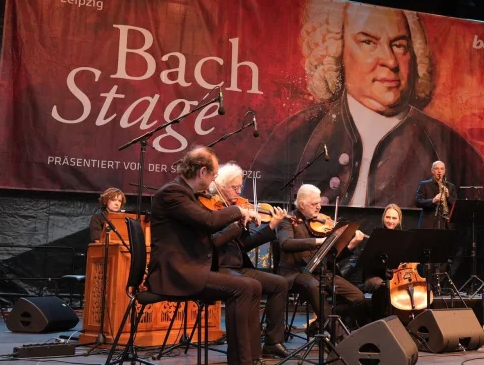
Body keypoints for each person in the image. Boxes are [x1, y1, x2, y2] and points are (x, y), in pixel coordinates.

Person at [249, 2, 484, 210]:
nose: (390, 61)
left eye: (399, 45)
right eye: (368, 42)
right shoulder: (298, 133)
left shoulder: (451, 148)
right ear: (337, 50)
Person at [145, 146, 262, 365]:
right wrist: (240, 211)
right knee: (243, 288)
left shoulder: (188, 195)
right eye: (213, 175)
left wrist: (237, 225)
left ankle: (253, 358)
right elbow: (209, 222)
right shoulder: (173, 193)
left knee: (254, 286)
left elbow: (210, 237)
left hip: (191, 268)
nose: (213, 180)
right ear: (202, 172)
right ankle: (241, 361)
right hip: (176, 273)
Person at [209, 162, 290, 359]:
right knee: (249, 286)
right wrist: (236, 221)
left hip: (238, 266)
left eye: (240, 187)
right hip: (218, 267)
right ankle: (245, 354)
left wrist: (271, 226)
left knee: (280, 283)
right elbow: (213, 241)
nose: (239, 192)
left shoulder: (237, 208)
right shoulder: (212, 209)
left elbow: (245, 244)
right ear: (220, 186)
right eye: (234, 187)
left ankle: (272, 342)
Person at [276, 184, 367, 335]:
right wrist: (317, 241)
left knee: (358, 298)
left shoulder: (321, 223)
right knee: (314, 286)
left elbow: (332, 257)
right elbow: (286, 244)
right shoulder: (288, 221)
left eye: (319, 203)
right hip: (296, 273)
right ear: (302, 204)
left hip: (322, 272)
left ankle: (318, 325)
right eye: (314, 204)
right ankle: (340, 337)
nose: (319, 207)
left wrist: (351, 245)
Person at [340, 204, 404, 323]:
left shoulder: (403, 238)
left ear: (399, 220)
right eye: (388, 217)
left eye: (394, 218)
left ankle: (402, 320)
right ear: (383, 218)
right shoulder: (375, 235)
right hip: (373, 277)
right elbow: (366, 263)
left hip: (395, 277)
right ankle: (377, 320)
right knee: (383, 286)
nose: (390, 221)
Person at [416, 161, 457, 229]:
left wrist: (448, 196)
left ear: (444, 171)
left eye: (442, 169)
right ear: (432, 170)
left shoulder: (451, 186)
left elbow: (455, 205)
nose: (439, 171)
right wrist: (433, 200)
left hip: (446, 224)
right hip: (429, 223)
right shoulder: (424, 184)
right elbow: (418, 202)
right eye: (436, 168)